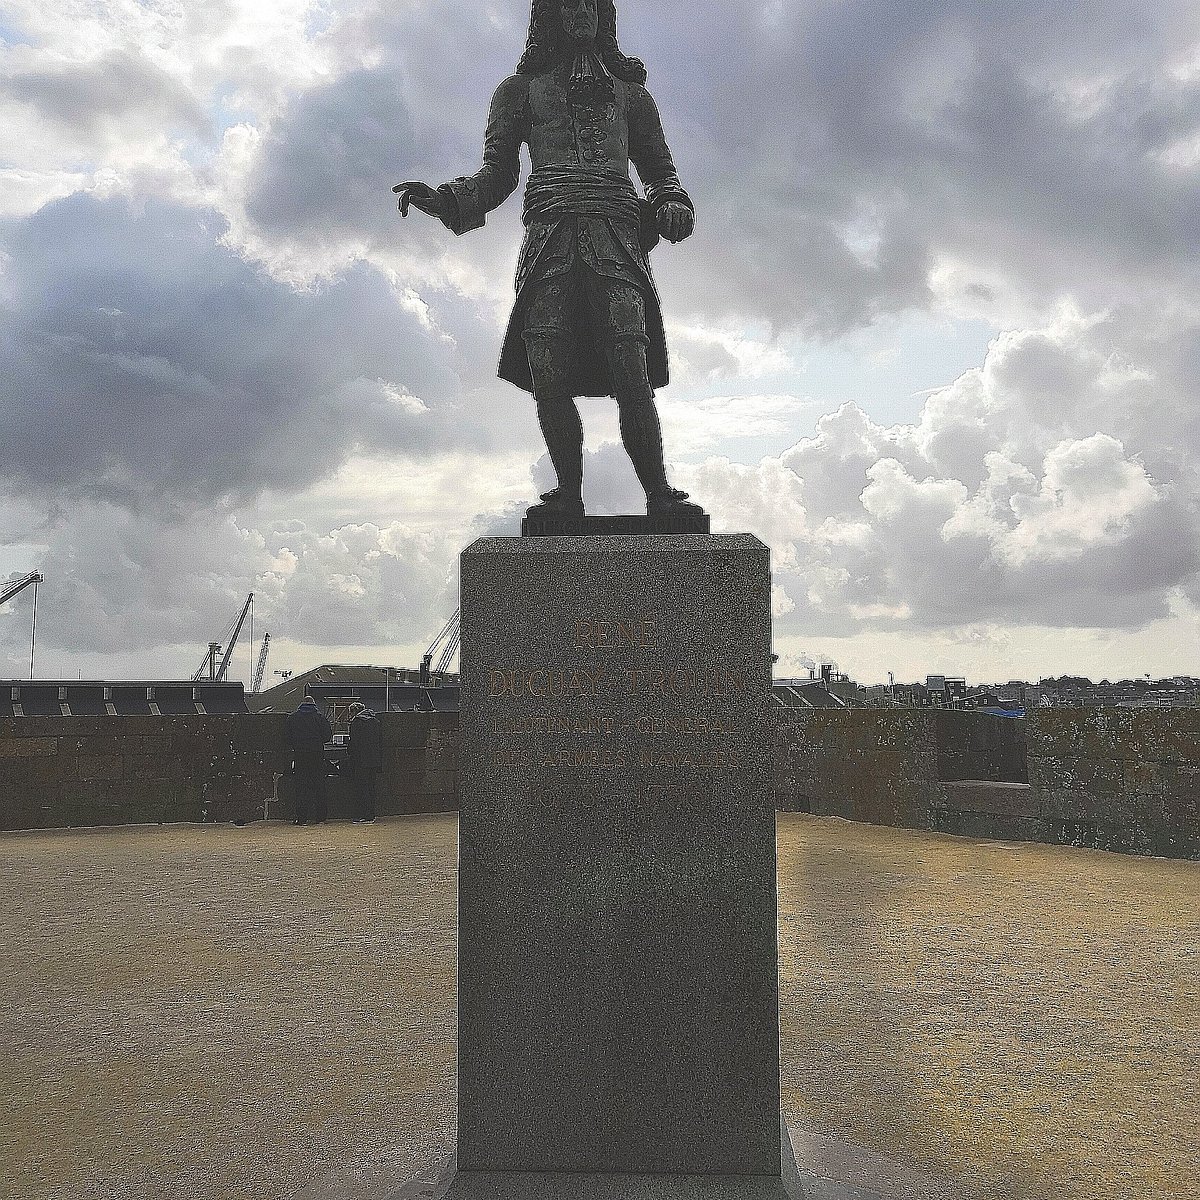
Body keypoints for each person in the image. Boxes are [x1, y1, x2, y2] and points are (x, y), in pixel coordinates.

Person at [394, 0, 704, 522]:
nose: (580, 14)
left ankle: (659, 493)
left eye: (591, 4)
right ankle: (569, 497)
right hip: (549, 245)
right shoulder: (518, 93)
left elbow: (661, 173)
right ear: (549, 18)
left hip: (617, 245)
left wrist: (673, 206)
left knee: (632, 367)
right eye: (569, 5)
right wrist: (447, 199)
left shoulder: (632, 96)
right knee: (550, 373)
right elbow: (497, 178)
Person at [285, 694, 332, 825]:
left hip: (300, 754)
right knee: (319, 786)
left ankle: (302, 818)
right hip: (317, 754)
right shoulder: (320, 717)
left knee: (301, 786)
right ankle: (321, 818)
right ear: (314, 704)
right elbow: (327, 736)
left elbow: (287, 738)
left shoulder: (293, 718)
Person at [346, 701, 384, 823]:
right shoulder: (375, 721)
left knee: (362, 788)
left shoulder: (357, 723)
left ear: (354, 711)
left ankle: (364, 815)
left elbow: (354, 744)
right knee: (371, 788)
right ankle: (370, 815)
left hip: (361, 761)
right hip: (373, 760)